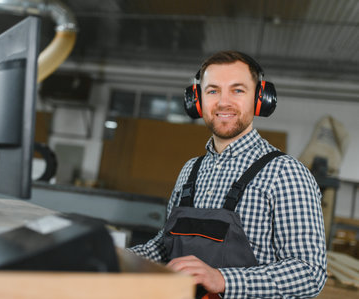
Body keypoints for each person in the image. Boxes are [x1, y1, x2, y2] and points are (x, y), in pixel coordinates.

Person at [130, 50, 327, 298]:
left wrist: (223, 279)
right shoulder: (190, 170)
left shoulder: (286, 174)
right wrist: (123, 258)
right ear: (197, 101)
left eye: (237, 90)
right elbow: (164, 246)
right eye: (212, 91)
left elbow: (310, 274)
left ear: (259, 99)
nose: (223, 102)